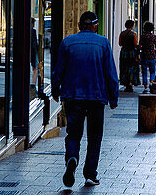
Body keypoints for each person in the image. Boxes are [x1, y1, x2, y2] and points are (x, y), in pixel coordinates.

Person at [52, 11, 118, 188]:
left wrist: (55, 90)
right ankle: (90, 174)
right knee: (95, 137)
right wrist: (114, 97)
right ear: (95, 26)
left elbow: (58, 70)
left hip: (73, 96)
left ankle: (72, 157)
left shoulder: (67, 42)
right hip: (97, 97)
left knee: (73, 133)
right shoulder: (103, 43)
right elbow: (110, 73)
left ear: (80, 25)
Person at [139, 21, 156, 93]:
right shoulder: (154, 37)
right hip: (152, 55)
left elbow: (140, 46)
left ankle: (145, 87)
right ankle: (151, 82)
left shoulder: (143, 36)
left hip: (144, 56)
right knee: (152, 71)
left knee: (144, 72)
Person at [118, 21, 138, 93]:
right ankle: (130, 83)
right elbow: (135, 44)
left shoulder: (122, 33)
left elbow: (120, 43)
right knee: (131, 68)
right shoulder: (133, 34)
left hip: (123, 52)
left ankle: (125, 83)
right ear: (132, 26)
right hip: (131, 53)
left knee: (124, 67)